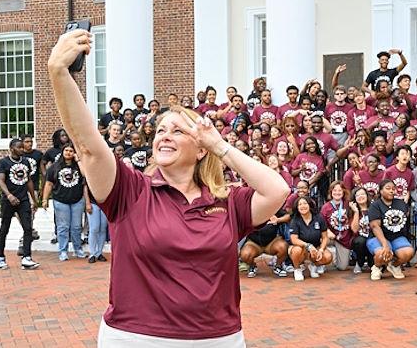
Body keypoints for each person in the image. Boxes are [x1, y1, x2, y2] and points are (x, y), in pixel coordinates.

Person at [48, 28, 289, 346]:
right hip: (136, 338)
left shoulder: (227, 201)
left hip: (218, 339)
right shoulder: (130, 191)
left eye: (178, 130)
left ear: (201, 148)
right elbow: (89, 146)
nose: (164, 135)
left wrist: (220, 146)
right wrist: (59, 73)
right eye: (160, 129)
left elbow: (278, 190)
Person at [0, 138, 40, 270]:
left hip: (23, 200)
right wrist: (9, 195)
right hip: (8, 200)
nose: (22, 149)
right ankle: (0, 257)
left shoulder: (25, 162)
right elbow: (1, 181)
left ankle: (27, 258)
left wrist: (34, 200)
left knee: (28, 228)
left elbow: (29, 181)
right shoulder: (4, 162)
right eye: (19, 147)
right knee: (4, 229)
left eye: (22, 147)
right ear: (12, 148)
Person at [42, 143, 87, 261]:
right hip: (60, 200)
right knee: (63, 227)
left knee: (77, 227)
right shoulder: (55, 167)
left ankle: (78, 249)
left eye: (71, 151)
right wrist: (45, 199)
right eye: (66, 150)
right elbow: (49, 183)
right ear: (62, 152)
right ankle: (63, 251)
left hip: (77, 200)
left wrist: (78, 160)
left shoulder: (78, 165)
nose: (68, 153)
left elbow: (85, 175)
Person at [367, 179, 415, 281]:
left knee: (408, 253)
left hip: (397, 237)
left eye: (393, 189)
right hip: (378, 237)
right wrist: (385, 244)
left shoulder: (401, 204)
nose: (391, 191)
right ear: (380, 191)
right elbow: (375, 227)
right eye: (388, 188)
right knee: (382, 254)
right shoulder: (375, 205)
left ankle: (394, 265)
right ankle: (377, 267)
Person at [288, 196, 334, 281]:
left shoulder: (319, 218)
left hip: (316, 247)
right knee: (296, 251)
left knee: (328, 257)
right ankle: (297, 269)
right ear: (297, 208)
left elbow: (325, 237)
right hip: (301, 248)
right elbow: (294, 239)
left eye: (305, 203)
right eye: (300, 204)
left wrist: (321, 249)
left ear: (309, 205)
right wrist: (308, 246)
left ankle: (313, 266)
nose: (303, 206)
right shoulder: (295, 220)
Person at [239, 208, 290, 278]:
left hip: (272, 241)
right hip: (254, 243)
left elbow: (288, 216)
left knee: (283, 246)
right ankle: (252, 266)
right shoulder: (249, 209)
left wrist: (278, 220)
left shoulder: (273, 207)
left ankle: (278, 266)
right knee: (245, 255)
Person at [320, 182, 354, 271]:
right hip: (331, 236)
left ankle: (336, 256)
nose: (337, 192)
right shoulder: (325, 207)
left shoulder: (348, 204)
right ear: (331, 192)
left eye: (340, 190)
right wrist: (327, 231)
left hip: (344, 238)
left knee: (342, 267)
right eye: (334, 190)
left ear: (343, 192)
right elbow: (320, 224)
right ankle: (320, 261)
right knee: (319, 239)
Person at [349, 187, 374, 273]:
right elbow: (355, 230)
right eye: (358, 195)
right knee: (360, 242)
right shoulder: (352, 211)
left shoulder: (374, 207)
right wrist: (356, 212)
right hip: (360, 238)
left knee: (373, 265)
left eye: (362, 194)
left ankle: (372, 263)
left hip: (373, 237)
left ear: (367, 195)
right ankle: (359, 263)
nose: (361, 196)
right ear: (354, 198)